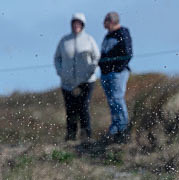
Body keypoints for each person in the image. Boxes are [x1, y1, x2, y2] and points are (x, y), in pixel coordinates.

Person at [54, 13, 100, 141]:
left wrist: (92, 70)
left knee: (84, 107)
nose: (76, 25)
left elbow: (97, 57)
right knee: (70, 110)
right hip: (67, 82)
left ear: (83, 25)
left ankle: (86, 136)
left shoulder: (89, 40)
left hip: (86, 81)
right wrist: (61, 72)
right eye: (74, 23)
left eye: (79, 23)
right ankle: (70, 136)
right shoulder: (64, 41)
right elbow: (57, 58)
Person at [99, 11, 133, 142]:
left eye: (106, 21)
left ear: (111, 21)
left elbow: (128, 53)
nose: (103, 24)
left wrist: (118, 68)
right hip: (106, 73)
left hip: (117, 73)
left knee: (117, 99)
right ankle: (115, 128)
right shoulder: (107, 36)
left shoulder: (123, 33)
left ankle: (123, 128)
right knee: (111, 101)